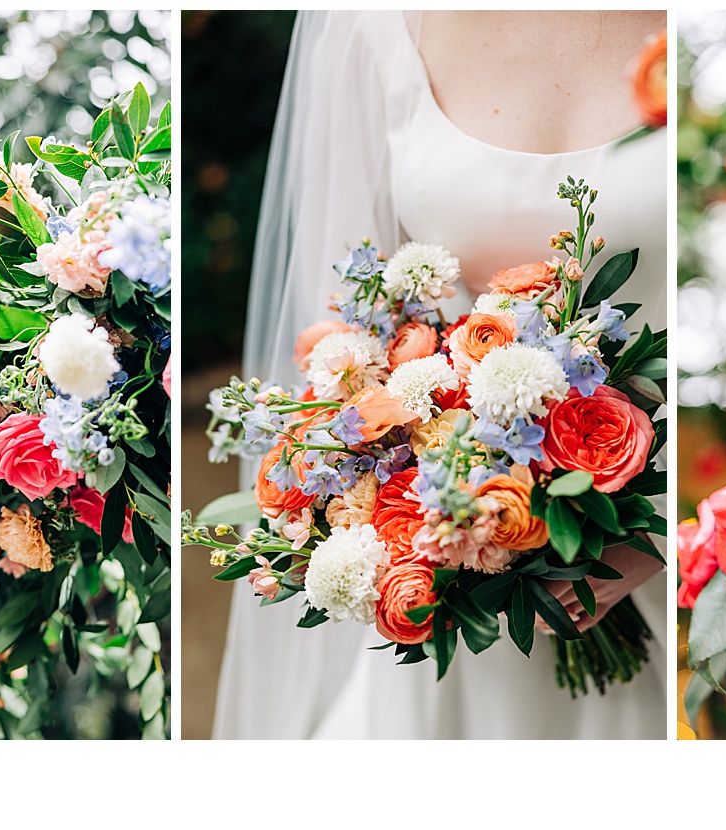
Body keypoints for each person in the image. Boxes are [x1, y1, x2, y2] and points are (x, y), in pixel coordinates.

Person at [213, 9, 668, 739]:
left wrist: (654, 539)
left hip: (664, 537)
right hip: (453, 554)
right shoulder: (373, 24)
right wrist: (405, 510)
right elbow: (350, 338)